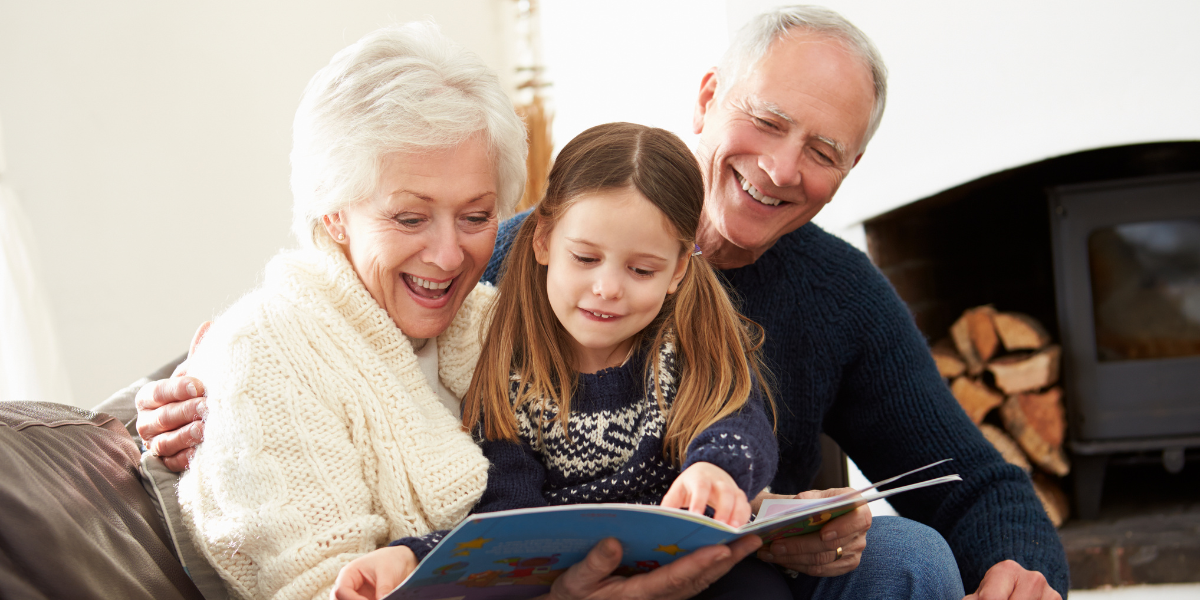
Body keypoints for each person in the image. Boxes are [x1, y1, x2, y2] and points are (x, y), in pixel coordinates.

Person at [138, 6, 1068, 600]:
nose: (782, 168)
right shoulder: (518, 265)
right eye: (767, 121)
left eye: (824, 152)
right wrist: (184, 387)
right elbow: (339, 319)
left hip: (745, 570)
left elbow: (973, 480)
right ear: (708, 97)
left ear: (851, 170)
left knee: (915, 559)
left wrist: (1023, 575)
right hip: (571, 577)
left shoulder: (839, 294)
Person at [169, 23, 761, 600]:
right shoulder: (267, 353)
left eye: (476, 217)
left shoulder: (493, 320)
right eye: (410, 218)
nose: (450, 256)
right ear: (333, 213)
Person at [332, 122, 789, 600]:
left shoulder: (689, 344)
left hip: (697, 560)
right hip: (574, 577)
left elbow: (740, 427)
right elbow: (506, 518)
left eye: (641, 270)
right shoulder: (512, 373)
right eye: (586, 259)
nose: (607, 288)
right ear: (544, 240)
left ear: (676, 271)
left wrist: (716, 470)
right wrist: (415, 557)